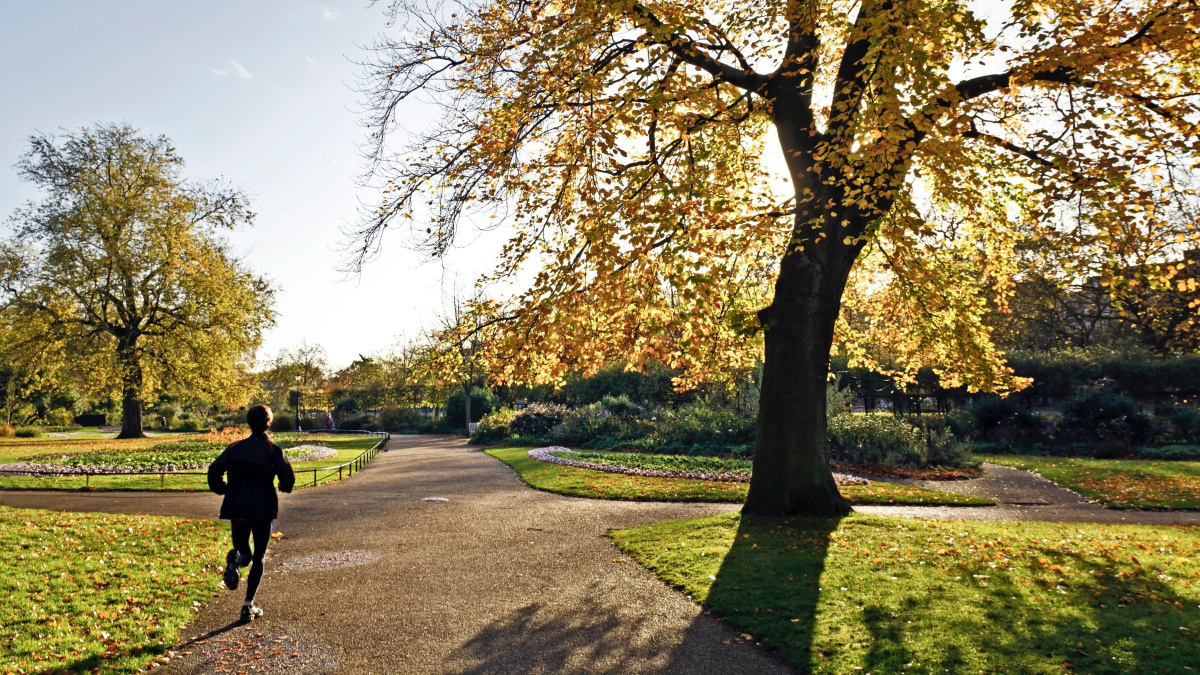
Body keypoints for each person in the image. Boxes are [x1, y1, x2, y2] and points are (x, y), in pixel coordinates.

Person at [207, 404, 295, 623]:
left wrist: (223, 488)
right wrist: (284, 486)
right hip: (262, 507)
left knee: (243, 550)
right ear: (269, 423)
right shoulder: (273, 450)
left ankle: (235, 561)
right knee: (260, 556)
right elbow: (288, 478)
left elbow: (214, 470)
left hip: (237, 505)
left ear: (249, 423)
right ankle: (248, 605)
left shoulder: (235, 447)